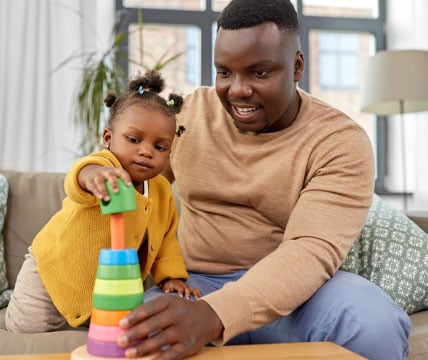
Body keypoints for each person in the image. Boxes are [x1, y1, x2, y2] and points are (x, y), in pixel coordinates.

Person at [116, 1, 411, 359]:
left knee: (372, 322)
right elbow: (127, 177)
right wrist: (92, 174)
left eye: (259, 73)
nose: (237, 90)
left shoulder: (339, 141)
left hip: (301, 297)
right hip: (195, 286)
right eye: (224, 73)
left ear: (297, 65)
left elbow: (310, 251)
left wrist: (214, 316)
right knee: (137, 336)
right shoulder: (189, 115)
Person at [5, 70, 201, 333]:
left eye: (160, 147)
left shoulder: (162, 191)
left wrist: (172, 277)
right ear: (108, 139)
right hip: (53, 274)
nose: (146, 151)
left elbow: (165, 241)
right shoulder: (105, 166)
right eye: (133, 140)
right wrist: (95, 177)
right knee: (26, 328)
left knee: (107, 333)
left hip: (107, 284)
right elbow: (78, 177)